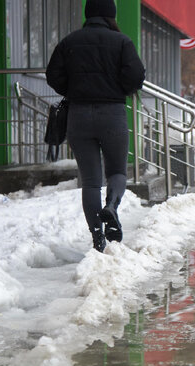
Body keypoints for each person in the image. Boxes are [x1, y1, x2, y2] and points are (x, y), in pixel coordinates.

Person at [46, 0, 146, 252]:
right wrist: (118, 88)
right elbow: (136, 76)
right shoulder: (121, 42)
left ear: (87, 14)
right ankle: (111, 206)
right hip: (112, 113)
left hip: (78, 115)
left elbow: (53, 75)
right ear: (111, 15)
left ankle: (96, 237)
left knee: (90, 181)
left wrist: (73, 90)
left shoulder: (70, 41)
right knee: (117, 171)